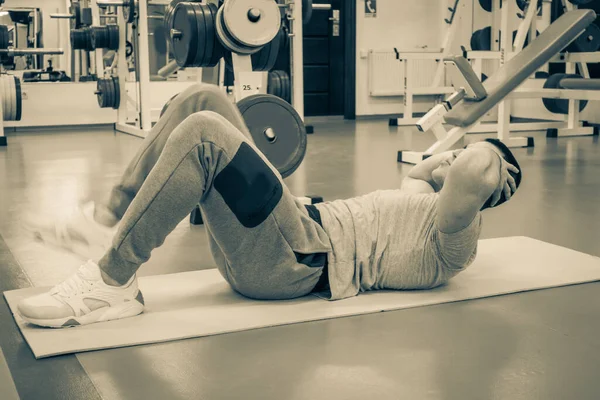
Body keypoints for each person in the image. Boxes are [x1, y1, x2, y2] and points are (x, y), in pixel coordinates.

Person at [18, 84, 521, 328]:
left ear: (488, 195)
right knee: (204, 101)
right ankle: (106, 222)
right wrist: (443, 160)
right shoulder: (420, 199)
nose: (454, 157)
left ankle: (112, 282)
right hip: (289, 229)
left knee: (203, 137)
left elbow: (472, 171)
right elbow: (425, 173)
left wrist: (495, 157)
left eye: (469, 159)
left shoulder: (454, 240)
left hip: (294, 264)